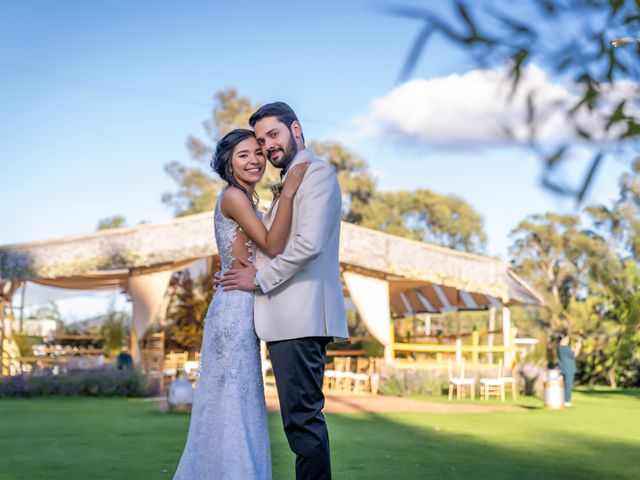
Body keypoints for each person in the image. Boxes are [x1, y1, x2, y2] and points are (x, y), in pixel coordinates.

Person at [221, 102, 349, 480]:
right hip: (285, 322)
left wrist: (258, 279)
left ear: (296, 129)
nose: (267, 147)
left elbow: (308, 245)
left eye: (272, 135)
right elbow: (273, 243)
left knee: (303, 423)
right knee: (300, 423)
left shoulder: (318, 174)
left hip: (301, 319)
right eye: (261, 142)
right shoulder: (289, 181)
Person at [173, 128, 309, 480]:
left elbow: (260, 254)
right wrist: (290, 192)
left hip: (243, 304)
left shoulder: (249, 201)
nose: (255, 160)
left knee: (239, 402)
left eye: (258, 153)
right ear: (228, 163)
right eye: (244, 154)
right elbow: (272, 245)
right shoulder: (234, 196)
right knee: (234, 401)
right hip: (234, 311)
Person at [556, 332, 582, 407]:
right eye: (567, 339)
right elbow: (574, 355)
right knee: (568, 385)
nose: (568, 340)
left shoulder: (561, 347)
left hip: (564, 368)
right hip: (568, 369)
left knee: (564, 385)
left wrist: (574, 347)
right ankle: (566, 401)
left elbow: (570, 354)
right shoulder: (564, 348)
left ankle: (562, 400)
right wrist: (578, 347)